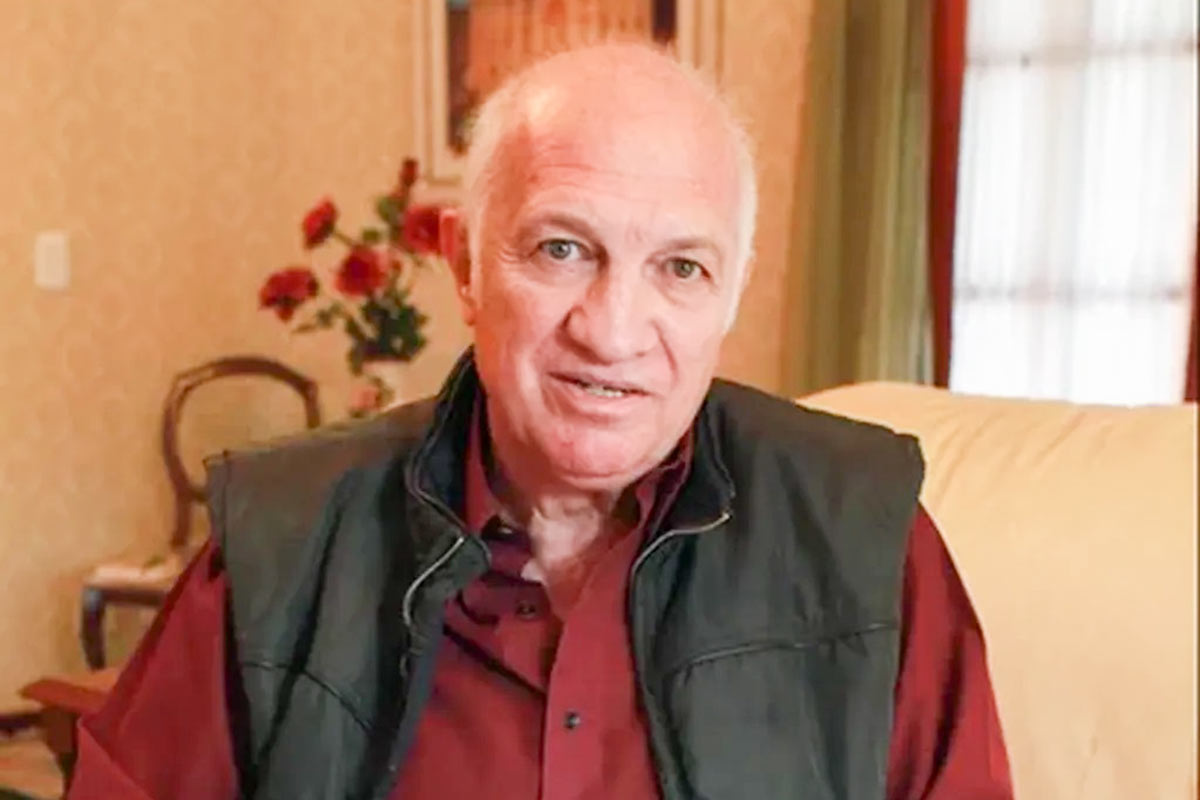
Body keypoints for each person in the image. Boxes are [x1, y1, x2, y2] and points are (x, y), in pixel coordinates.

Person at [68, 43, 1012, 799]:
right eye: (563, 249)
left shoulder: (868, 541)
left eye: (681, 267)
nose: (612, 332)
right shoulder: (283, 541)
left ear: (731, 294)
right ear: (466, 265)